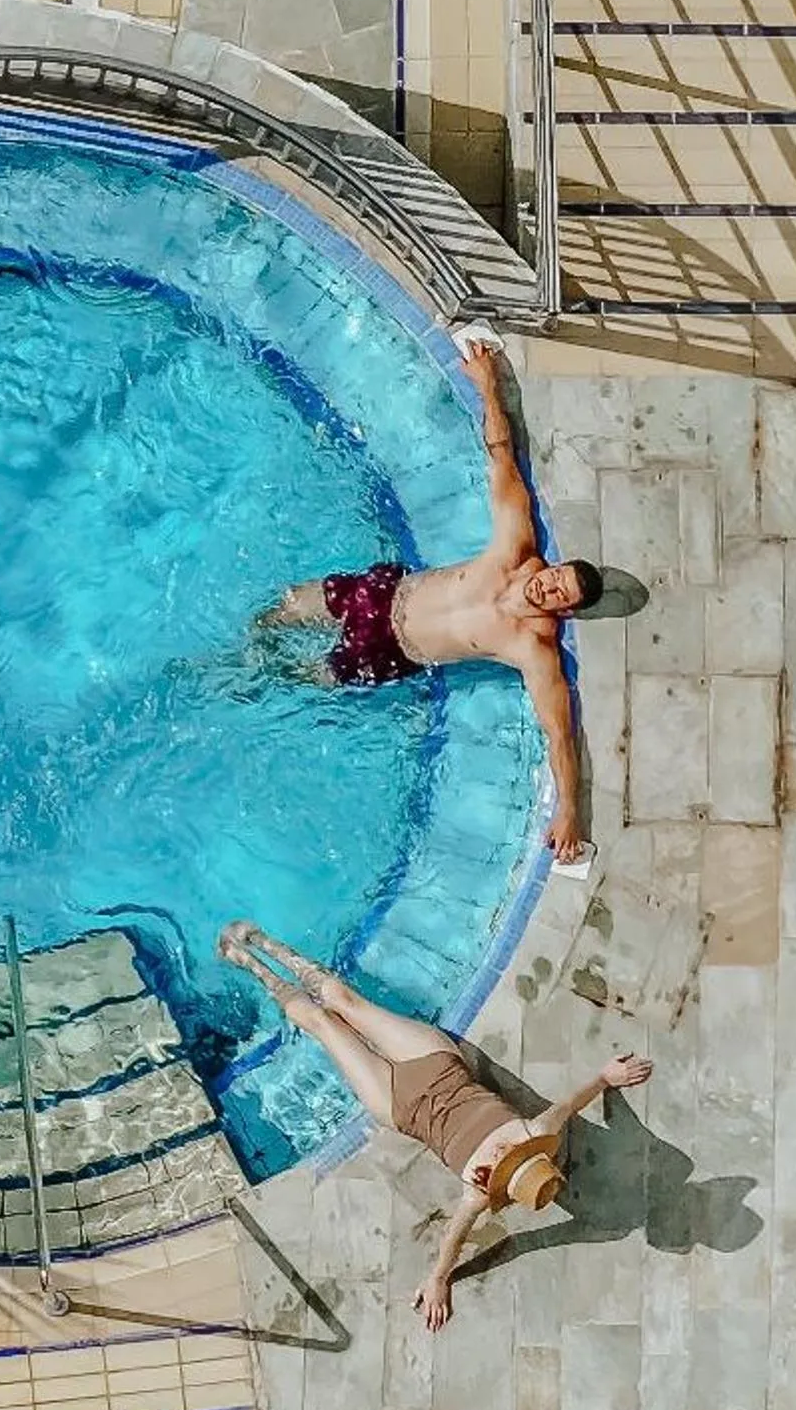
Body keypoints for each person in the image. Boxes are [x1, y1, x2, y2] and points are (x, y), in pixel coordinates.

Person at [257, 329, 596, 862]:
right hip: (379, 594)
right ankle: (235, 645)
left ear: (565, 609)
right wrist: (488, 388)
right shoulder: (514, 548)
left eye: (558, 594)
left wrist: (569, 812)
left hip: (387, 654)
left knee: (290, 680)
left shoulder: (533, 648)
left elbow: (559, 732)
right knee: (275, 615)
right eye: (556, 574)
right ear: (553, 566)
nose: (547, 585)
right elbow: (501, 462)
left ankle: (244, 681)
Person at [219, 921, 651, 1331]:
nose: (502, 1153)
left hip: (401, 1105)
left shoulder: (482, 1191)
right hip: (437, 1064)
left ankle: (254, 967)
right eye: (511, 1155)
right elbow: (570, 1104)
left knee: (322, 1025)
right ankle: (265, 942)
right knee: (346, 1003)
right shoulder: (539, 1134)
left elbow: (455, 1234)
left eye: (503, 1161)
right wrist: (606, 1078)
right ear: (531, 1154)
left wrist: (439, 1279)